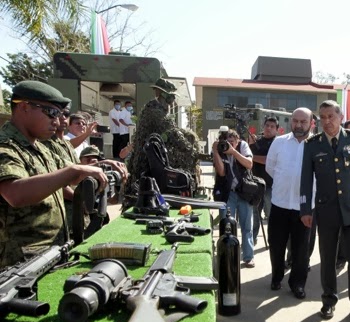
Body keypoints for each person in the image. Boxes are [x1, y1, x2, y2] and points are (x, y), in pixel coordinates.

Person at [0, 81, 113, 267]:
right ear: (24, 107)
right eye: (51, 112)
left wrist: (102, 166)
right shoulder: (6, 147)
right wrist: (72, 172)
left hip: (52, 252)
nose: (58, 120)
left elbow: (71, 171)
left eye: (60, 114)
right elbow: (14, 193)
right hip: (21, 263)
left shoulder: (40, 149)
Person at [299, 100, 350, 322]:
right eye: (322, 117)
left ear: (340, 117)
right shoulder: (312, 145)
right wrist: (305, 208)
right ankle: (328, 302)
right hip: (326, 210)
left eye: (330, 117)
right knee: (327, 258)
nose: (326, 121)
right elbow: (306, 180)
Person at [123, 78, 200, 207]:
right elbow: (174, 133)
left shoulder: (152, 109)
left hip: (149, 161)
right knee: (145, 197)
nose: (172, 101)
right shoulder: (155, 112)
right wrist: (192, 151)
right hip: (146, 164)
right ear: (163, 95)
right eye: (171, 98)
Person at [265, 108, 314, 298]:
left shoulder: (316, 144)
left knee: (301, 249)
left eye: (303, 121)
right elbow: (270, 167)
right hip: (280, 203)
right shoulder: (279, 143)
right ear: (290, 122)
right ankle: (276, 277)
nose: (299, 125)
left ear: (311, 123)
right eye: (295, 121)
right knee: (276, 244)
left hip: (305, 208)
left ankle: (297, 284)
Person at [213, 129, 255, 267]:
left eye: (232, 142)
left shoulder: (242, 146)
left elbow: (249, 164)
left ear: (237, 141)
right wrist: (215, 151)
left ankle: (248, 257)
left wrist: (234, 152)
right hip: (227, 193)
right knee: (226, 225)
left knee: (246, 226)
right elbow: (221, 172)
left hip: (243, 192)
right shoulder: (220, 148)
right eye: (227, 142)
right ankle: (226, 255)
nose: (229, 144)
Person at [248, 117, 278, 245]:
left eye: (272, 126)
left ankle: (273, 240)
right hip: (255, 184)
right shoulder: (255, 141)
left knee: (271, 215)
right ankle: (252, 239)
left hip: (271, 186)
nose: (269, 128)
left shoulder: (278, 143)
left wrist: (251, 157)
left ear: (277, 129)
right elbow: (246, 159)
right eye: (267, 125)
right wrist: (250, 145)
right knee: (254, 215)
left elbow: (268, 160)